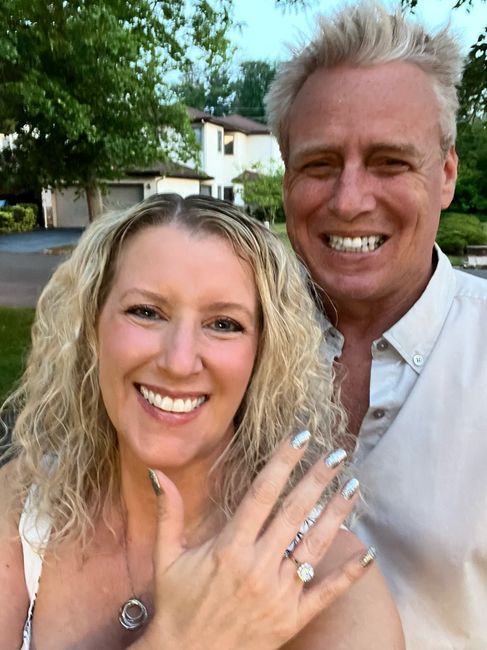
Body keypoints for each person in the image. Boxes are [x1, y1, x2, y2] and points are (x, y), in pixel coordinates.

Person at [0, 194, 404, 649]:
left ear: (262, 355)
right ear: (93, 329)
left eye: (223, 324)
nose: (178, 361)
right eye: (146, 312)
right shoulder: (23, 502)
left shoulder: (331, 581)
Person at [265, 2, 487, 648]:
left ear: (445, 175)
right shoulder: (222, 347)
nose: (349, 200)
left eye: (390, 162)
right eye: (319, 164)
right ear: (287, 178)